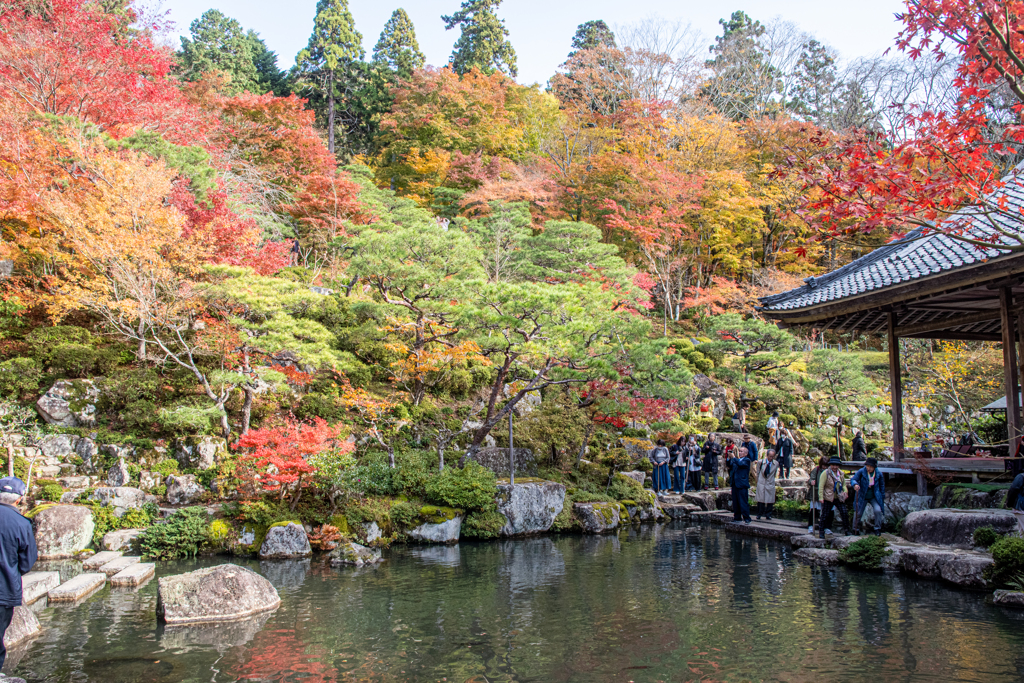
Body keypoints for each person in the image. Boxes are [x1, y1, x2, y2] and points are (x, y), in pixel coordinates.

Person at [0, 477, 36, 670]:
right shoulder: (21, 523)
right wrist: (11, 571)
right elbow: (27, 562)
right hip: (4, 589)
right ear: (19, 499)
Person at [851, 457, 886, 535]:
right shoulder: (861, 472)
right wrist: (855, 484)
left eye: (871, 467)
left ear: (874, 467)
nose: (869, 468)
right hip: (862, 495)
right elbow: (853, 479)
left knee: (878, 510)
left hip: (874, 496)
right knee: (858, 512)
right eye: (868, 466)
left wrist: (882, 496)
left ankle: (877, 528)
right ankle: (855, 529)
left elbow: (882, 486)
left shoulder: (878, 474)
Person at [820, 457, 851, 539]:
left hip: (838, 496)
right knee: (825, 514)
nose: (835, 467)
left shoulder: (840, 473)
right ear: (830, 465)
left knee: (844, 512)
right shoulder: (825, 473)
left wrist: (845, 491)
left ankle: (847, 530)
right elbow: (821, 486)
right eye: (833, 465)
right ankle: (821, 531)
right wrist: (821, 497)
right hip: (828, 496)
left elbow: (844, 484)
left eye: (836, 465)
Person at [729, 446, 753, 524]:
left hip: (742, 484)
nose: (740, 452)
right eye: (739, 451)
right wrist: (729, 457)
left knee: (743, 502)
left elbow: (740, 464)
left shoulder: (747, 460)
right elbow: (730, 465)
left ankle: (746, 518)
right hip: (735, 484)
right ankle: (737, 517)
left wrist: (734, 458)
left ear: (746, 453)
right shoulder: (737, 460)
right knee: (735, 502)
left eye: (742, 451)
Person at [754, 449, 779, 520]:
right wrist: (758, 481)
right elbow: (758, 472)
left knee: (770, 499)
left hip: (770, 482)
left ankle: (768, 514)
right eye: (770, 456)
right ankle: (759, 514)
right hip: (761, 482)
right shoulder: (760, 462)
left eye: (773, 456)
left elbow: (774, 473)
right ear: (767, 455)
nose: (771, 458)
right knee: (760, 499)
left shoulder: (776, 463)